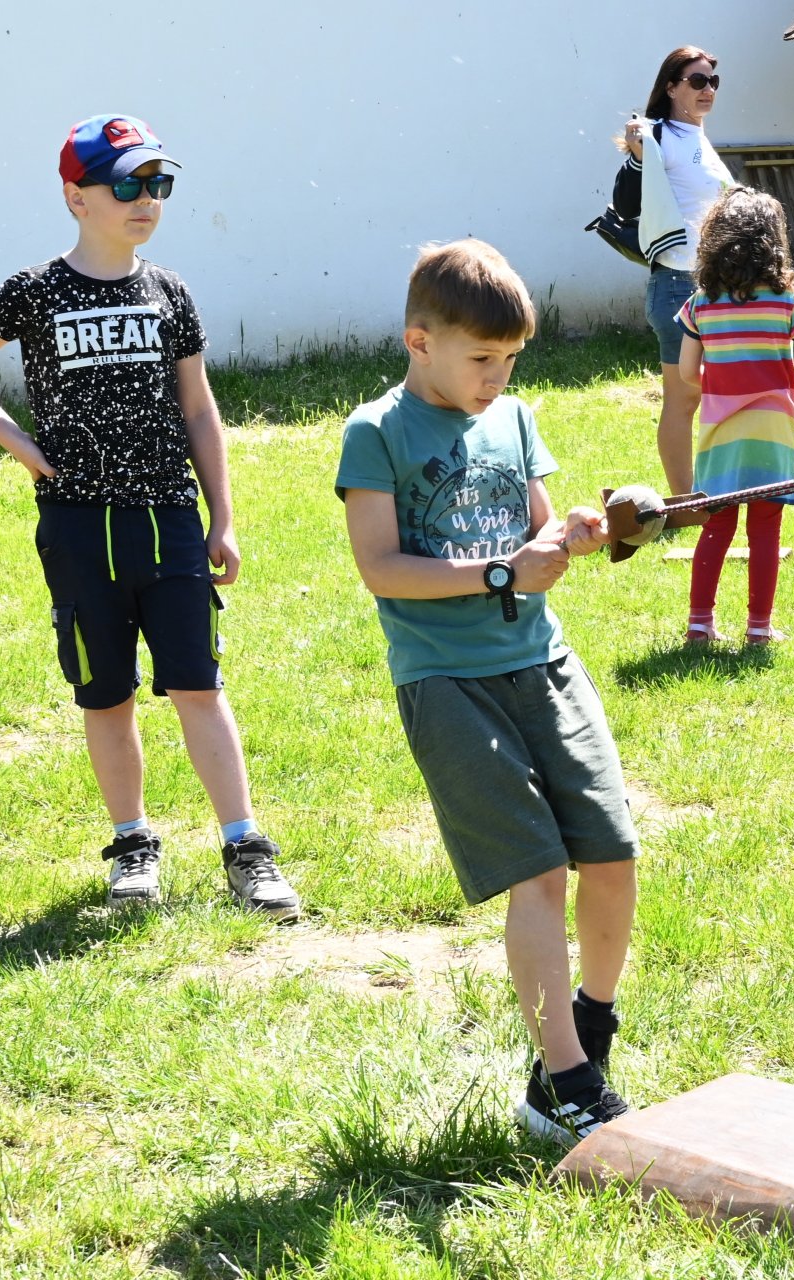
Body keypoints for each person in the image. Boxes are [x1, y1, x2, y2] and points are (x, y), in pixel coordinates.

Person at [0, 114, 299, 920]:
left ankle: (246, 849)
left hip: (167, 517)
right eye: (124, 184)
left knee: (198, 684)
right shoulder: (35, 291)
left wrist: (221, 514)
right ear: (75, 196)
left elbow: (199, 409)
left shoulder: (170, 292)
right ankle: (133, 846)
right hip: (76, 523)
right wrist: (19, 443)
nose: (144, 199)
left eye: (157, 184)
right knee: (106, 694)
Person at [336, 239, 638, 1145]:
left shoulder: (516, 418)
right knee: (538, 873)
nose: (496, 379)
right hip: (447, 682)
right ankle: (565, 1082)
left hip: (542, 663)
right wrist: (507, 572)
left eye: (510, 361)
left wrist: (584, 529)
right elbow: (382, 569)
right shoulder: (376, 432)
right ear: (417, 342)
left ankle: (591, 1030)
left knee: (612, 852)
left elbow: (541, 533)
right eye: (481, 360)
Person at [676, 188, 794, 647]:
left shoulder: (701, 303)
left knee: (716, 525)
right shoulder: (789, 300)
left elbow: (686, 373)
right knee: (766, 527)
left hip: (719, 433)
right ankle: (759, 629)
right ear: (773, 241)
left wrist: (723, 387)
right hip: (772, 432)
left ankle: (699, 625)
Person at [622, 45, 733, 498]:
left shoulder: (698, 138)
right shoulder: (659, 134)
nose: (708, 90)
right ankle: (685, 499)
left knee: (720, 390)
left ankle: (714, 489)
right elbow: (627, 204)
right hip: (676, 284)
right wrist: (636, 154)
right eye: (697, 81)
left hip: (715, 285)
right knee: (684, 397)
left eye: (713, 81)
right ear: (671, 87)